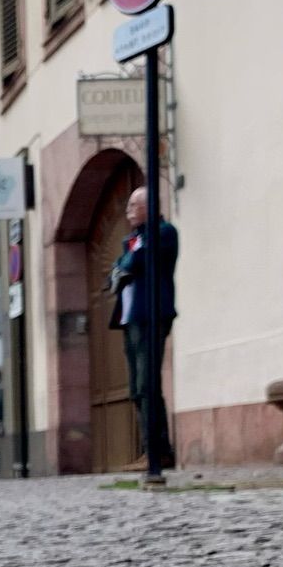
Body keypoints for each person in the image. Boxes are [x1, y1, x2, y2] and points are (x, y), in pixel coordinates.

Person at [110, 184, 179, 470]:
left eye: (132, 207)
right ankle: (148, 449)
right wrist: (123, 264)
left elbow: (135, 260)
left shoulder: (163, 232)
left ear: (148, 206)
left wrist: (125, 263)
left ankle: (159, 451)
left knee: (148, 384)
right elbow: (118, 267)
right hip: (131, 318)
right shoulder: (133, 239)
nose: (127, 214)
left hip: (151, 314)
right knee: (137, 388)